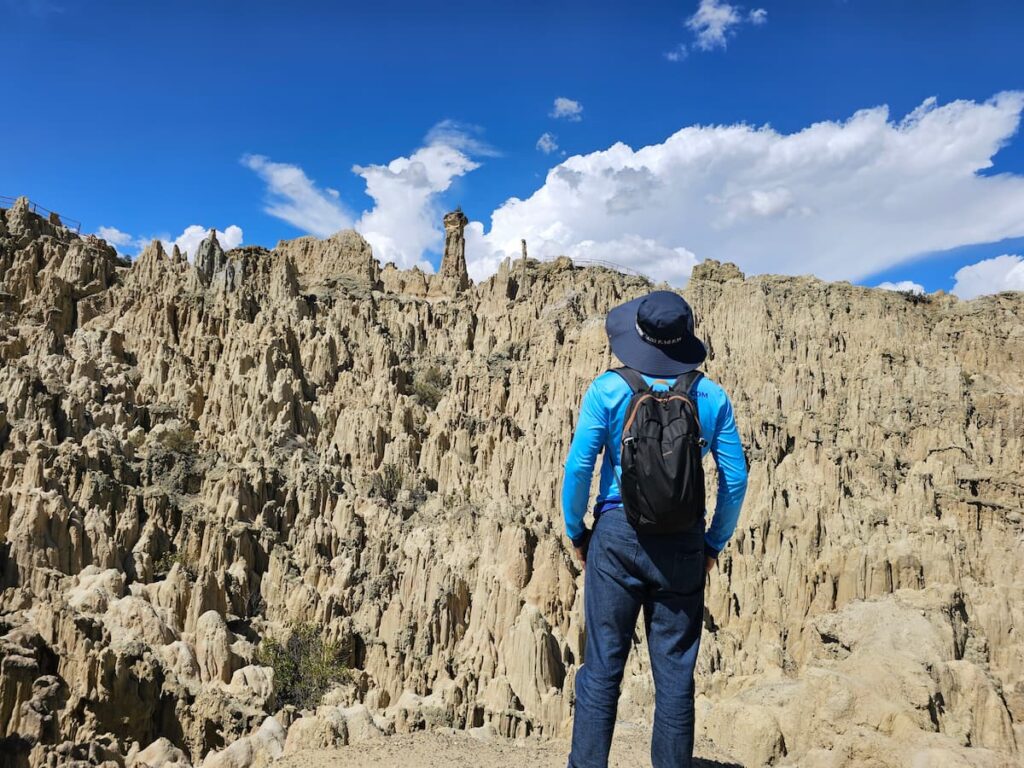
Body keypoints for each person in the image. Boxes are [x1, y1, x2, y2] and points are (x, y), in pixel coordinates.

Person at [563, 290, 748, 768]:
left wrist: (577, 531)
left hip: (616, 537)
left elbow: (580, 468)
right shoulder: (710, 396)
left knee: (602, 670)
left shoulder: (607, 389)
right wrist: (713, 542)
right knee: (675, 678)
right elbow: (736, 479)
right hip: (683, 544)